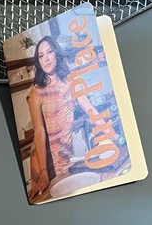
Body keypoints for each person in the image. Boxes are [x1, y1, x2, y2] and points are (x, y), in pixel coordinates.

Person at [26, 35, 100, 201]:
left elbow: (89, 108)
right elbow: (39, 131)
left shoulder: (71, 82)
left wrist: (108, 131)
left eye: (49, 52)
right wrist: (43, 172)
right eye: (41, 56)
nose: (46, 59)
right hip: (43, 164)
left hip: (65, 158)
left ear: (56, 54)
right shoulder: (35, 94)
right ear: (38, 61)